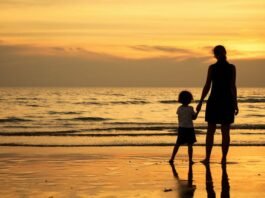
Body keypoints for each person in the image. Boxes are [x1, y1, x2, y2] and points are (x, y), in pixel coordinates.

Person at [196, 45, 239, 164]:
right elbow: (232, 86)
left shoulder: (213, 68)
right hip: (227, 101)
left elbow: (207, 86)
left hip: (214, 100)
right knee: (225, 131)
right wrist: (235, 103)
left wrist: (200, 101)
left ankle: (208, 158)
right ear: (225, 53)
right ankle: (223, 158)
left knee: (211, 131)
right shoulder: (231, 68)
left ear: (215, 55)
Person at [169, 90, 199, 164]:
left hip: (181, 128)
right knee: (190, 145)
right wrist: (197, 111)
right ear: (189, 99)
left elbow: (180, 117)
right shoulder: (190, 108)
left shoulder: (179, 108)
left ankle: (172, 158)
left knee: (178, 144)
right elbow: (194, 118)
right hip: (189, 128)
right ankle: (190, 160)